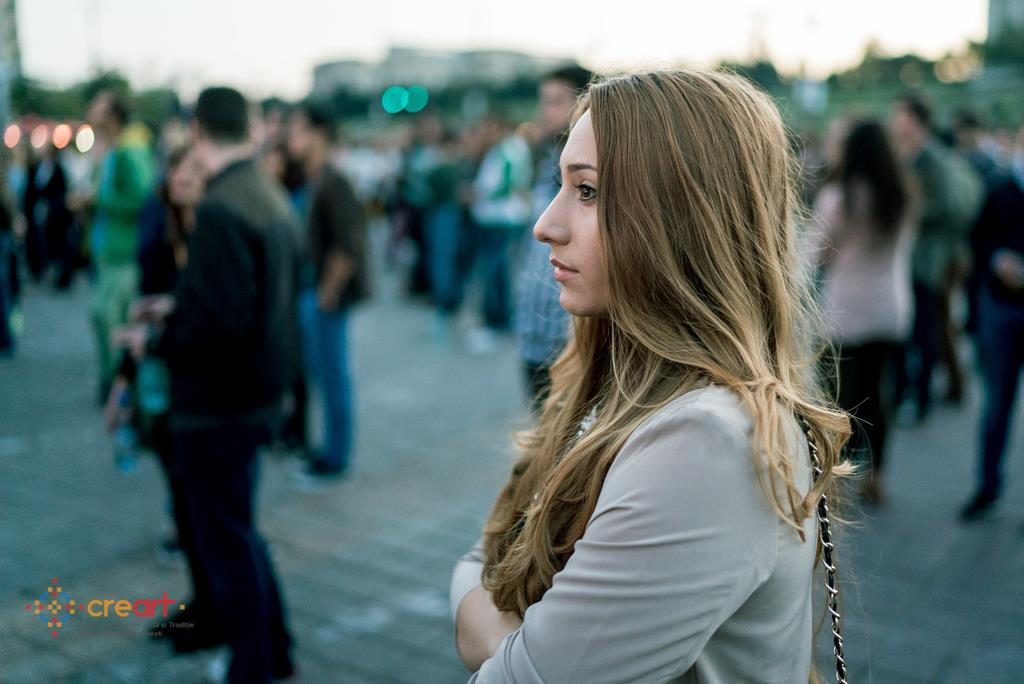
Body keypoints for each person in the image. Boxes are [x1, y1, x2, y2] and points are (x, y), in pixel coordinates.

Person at [450, 69, 852, 683]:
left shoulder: (706, 441)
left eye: (588, 191)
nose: (546, 224)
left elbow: (517, 664)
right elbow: (490, 551)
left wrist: (484, 623)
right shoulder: (612, 381)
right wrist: (499, 623)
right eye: (562, 186)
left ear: (681, 218)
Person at [119, 86, 298, 682]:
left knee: (226, 539)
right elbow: (241, 301)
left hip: (219, 402)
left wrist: (156, 340)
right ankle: (274, 648)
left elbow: (219, 323)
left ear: (196, 130)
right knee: (237, 531)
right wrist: (177, 308)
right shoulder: (264, 191)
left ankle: (255, 661)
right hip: (257, 391)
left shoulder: (222, 205)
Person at [810, 119, 914, 504]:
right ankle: (878, 475)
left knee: (843, 399)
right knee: (877, 394)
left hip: (848, 310)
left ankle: (838, 475)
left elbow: (817, 253)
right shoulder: (901, 195)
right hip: (889, 307)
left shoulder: (839, 198)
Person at [286, 101, 369, 480]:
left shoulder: (335, 181)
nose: (291, 137)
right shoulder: (315, 178)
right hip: (313, 292)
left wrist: (327, 293)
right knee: (323, 375)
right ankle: (329, 449)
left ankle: (336, 457)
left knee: (334, 376)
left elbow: (347, 245)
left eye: (298, 129)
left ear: (318, 134)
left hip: (324, 296)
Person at [889, 95, 982, 418]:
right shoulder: (909, 156)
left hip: (932, 259)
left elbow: (946, 206)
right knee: (926, 326)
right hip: (916, 257)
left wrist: (910, 211)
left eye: (901, 117)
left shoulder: (933, 159)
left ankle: (924, 396)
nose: (896, 123)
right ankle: (930, 388)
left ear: (917, 122)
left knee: (928, 328)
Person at [516, 64, 593, 412]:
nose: (545, 112)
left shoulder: (595, 172)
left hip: (571, 340)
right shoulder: (544, 161)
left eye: (556, 101)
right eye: (543, 101)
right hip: (534, 334)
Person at [960, 123, 1024, 520]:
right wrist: (997, 261)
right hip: (1001, 306)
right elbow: (977, 241)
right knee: (997, 402)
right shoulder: (999, 189)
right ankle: (987, 485)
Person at [76, 90, 156, 402]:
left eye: (98, 105)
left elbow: (142, 198)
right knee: (103, 317)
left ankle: (120, 386)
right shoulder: (110, 150)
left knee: (111, 318)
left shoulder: (128, 150)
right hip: (107, 251)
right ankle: (113, 382)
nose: (91, 109)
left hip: (125, 252)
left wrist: (97, 199)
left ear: (112, 115)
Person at [466, 113, 533, 353]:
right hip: (492, 219)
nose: (485, 133)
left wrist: (477, 194)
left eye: (489, 128)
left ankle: (498, 323)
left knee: (496, 273)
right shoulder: (498, 150)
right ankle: (498, 321)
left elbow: (508, 183)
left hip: (501, 220)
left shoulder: (510, 150)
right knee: (495, 272)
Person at [22, 142, 72, 286]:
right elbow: (28, 193)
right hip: (35, 212)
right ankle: (37, 270)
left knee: (52, 244)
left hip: (52, 216)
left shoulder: (58, 170)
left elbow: (61, 193)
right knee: (35, 242)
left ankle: (51, 271)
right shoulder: (34, 168)